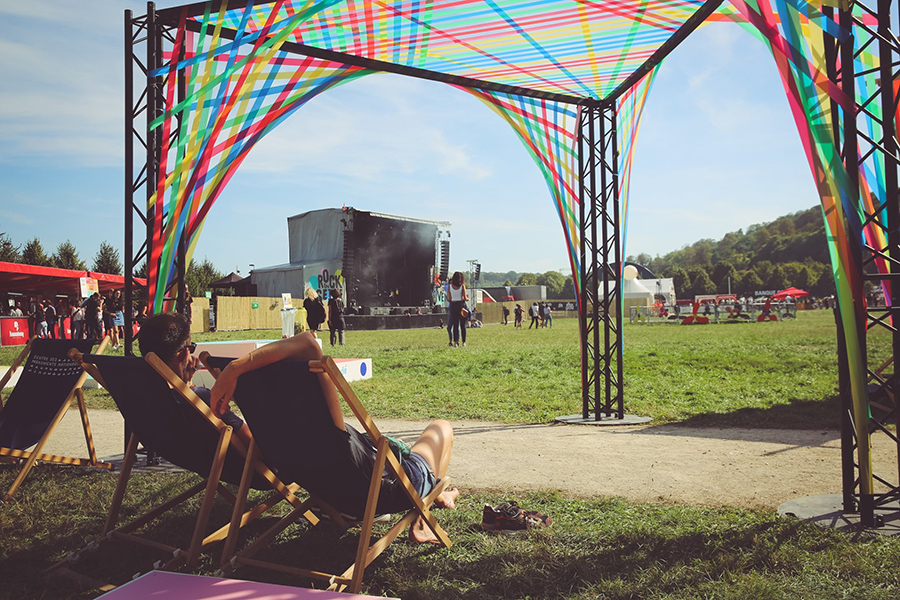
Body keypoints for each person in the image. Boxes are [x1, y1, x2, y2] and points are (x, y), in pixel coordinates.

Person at [206, 323, 459, 544]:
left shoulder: (279, 436)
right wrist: (235, 368)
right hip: (383, 490)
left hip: (332, 491)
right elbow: (307, 342)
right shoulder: (327, 424)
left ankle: (434, 493)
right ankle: (423, 513)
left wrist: (231, 372)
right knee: (441, 428)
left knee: (395, 446)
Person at [136, 313, 253, 451]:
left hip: (182, 457)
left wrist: (186, 382)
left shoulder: (140, 393)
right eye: (191, 347)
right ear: (185, 353)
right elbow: (251, 442)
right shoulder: (201, 398)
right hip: (235, 468)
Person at [446, 271, 468, 348]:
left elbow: (449, 298)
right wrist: (467, 298)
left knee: (455, 325)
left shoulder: (449, 286)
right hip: (461, 305)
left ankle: (456, 342)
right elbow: (464, 298)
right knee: (463, 325)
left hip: (453, 306)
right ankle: (464, 342)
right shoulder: (462, 286)